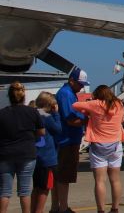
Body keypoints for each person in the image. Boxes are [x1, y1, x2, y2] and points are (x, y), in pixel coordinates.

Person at [72, 85, 124, 213]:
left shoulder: (95, 104)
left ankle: (101, 210)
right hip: (115, 144)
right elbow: (122, 120)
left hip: (98, 145)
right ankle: (115, 208)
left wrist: (88, 107)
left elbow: (75, 105)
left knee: (100, 181)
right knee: (115, 180)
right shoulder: (119, 104)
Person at [0, 82, 44, 213]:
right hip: (27, 154)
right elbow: (42, 132)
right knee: (24, 191)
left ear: (9, 96)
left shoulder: (2, 113)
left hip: (5, 154)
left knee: (4, 191)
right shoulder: (32, 112)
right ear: (24, 96)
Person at [53, 67, 88, 213]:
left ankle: (56, 207)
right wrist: (87, 120)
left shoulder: (67, 93)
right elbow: (70, 119)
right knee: (64, 177)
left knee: (59, 176)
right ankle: (63, 207)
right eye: (79, 84)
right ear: (71, 80)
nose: (81, 87)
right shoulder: (67, 94)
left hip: (65, 140)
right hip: (67, 140)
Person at [32, 92, 62, 213]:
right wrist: (56, 114)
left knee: (36, 187)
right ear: (50, 104)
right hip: (47, 158)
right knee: (45, 188)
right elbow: (58, 130)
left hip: (36, 156)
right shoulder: (47, 117)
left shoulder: (33, 114)